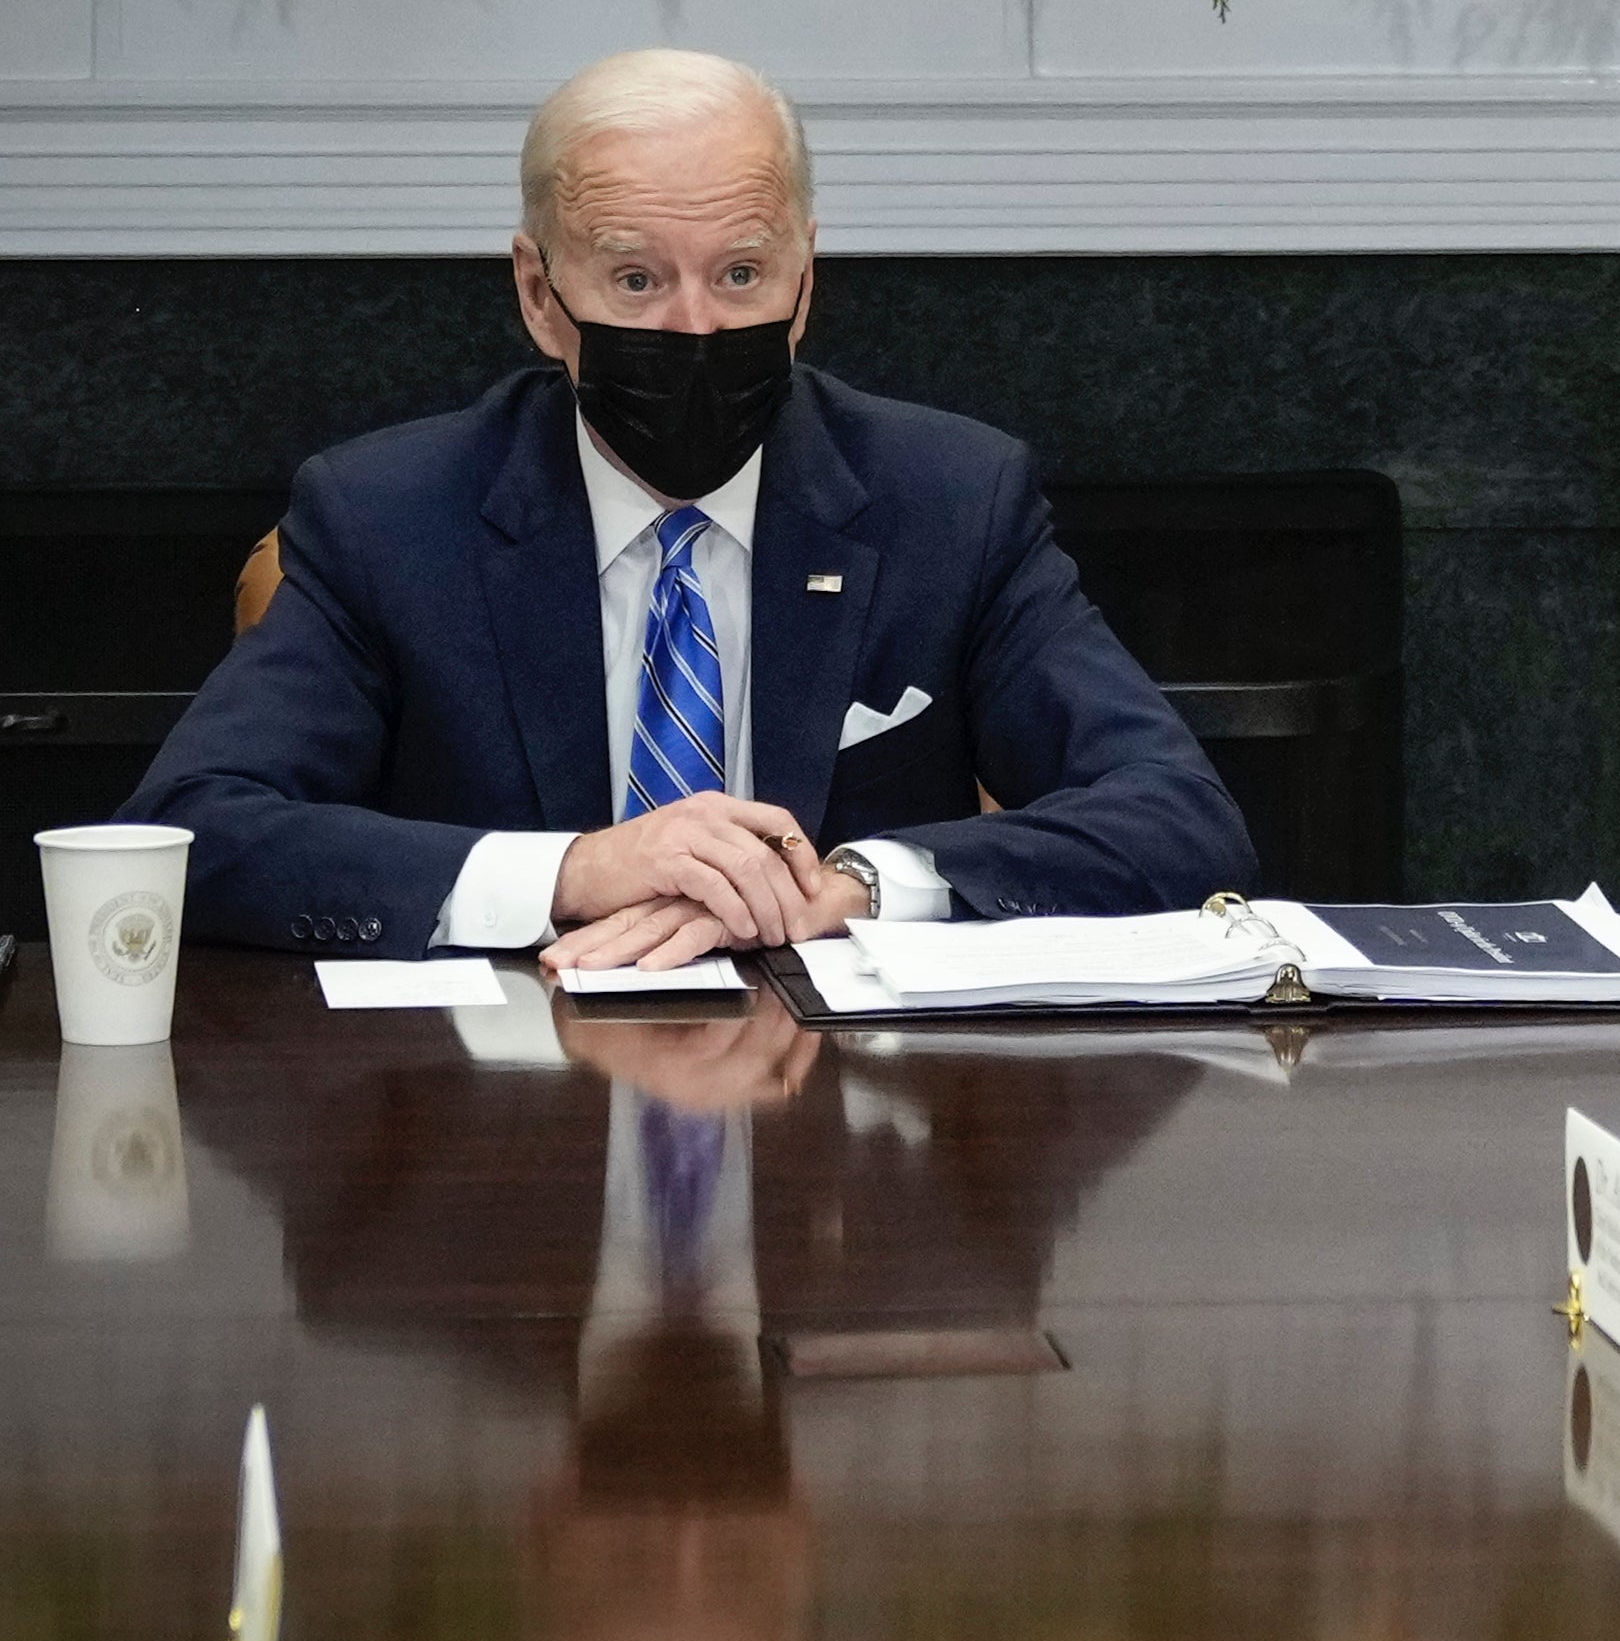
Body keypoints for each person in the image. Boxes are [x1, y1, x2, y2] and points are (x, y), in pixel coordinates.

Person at [126, 48, 1253, 966]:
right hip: (503, 1143)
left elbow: (1177, 819)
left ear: (805, 281)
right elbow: (187, 831)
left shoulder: (949, 502)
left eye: (740, 274)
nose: (695, 329)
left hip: (851, 1160)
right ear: (539, 293)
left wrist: (850, 885)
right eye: (633, 280)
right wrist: (571, 872)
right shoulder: (390, 515)